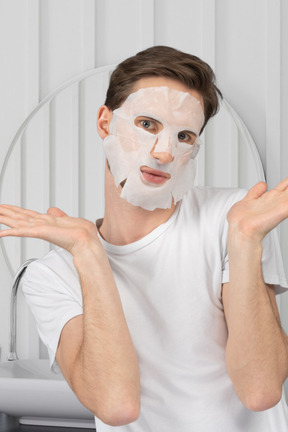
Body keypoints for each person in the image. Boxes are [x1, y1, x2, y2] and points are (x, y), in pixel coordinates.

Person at [0, 46, 288, 431]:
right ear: (105, 123)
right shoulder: (52, 275)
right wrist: (89, 253)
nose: (164, 152)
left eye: (184, 135)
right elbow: (117, 406)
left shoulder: (235, 218)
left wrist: (245, 240)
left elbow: (260, 390)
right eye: (148, 124)